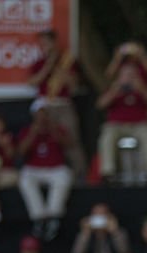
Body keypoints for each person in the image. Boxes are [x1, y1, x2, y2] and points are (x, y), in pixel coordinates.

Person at [28, 28, 86, 179]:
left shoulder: (67, 61)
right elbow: (32, 82)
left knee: (71, 139)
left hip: (63, 105)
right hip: (44, 106)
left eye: (47, 42)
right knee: (43, 138)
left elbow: (74, 85)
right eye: (42, 43)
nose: (44, 46)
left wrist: (60, 70)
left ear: (54, 43)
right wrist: (48, 67)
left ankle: (80, 175)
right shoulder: (39, 63)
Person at [98, 41, 147, 181]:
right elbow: (101, 104)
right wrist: (115, 90)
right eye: (126, 73)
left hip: (139, 124)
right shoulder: (115, 86)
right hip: (117, 125)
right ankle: (107, 171)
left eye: (131, 73)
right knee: (107, 136)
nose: (129, 76)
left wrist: (141, 88)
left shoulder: (141, 85)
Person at [18, 101, 74, 241]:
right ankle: (39, 217)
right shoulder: (28, 130)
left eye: (45, 114)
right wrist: (33, 133)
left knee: (64, 177)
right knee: (24, 179)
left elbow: (68, 145)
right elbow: (21, 151)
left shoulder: (57, 128)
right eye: (39, 115)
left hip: (55, 168)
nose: (42, 118)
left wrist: (51, 128)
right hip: (34, 169)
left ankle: (53, 216)